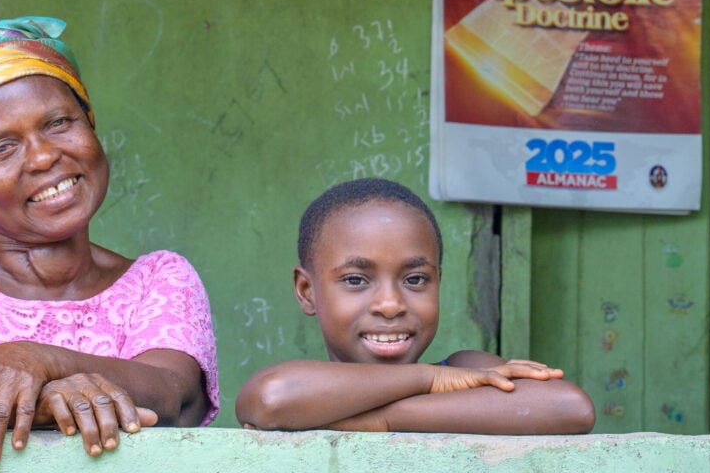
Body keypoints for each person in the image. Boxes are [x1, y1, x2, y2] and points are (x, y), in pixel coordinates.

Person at [0, 12, 217, 466]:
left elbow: (173, 397)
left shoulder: (158, 280)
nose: (43, 157)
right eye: (3, 148)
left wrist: (38, 360)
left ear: (91, 125)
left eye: (58, 123)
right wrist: (45, 403)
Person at [235, 178, 595, 433]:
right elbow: (272, 398)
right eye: (356, 280)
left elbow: (569, 407)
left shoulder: (466, 368)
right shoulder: (449, 379)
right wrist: (430, 378)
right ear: (306, 291)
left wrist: (384, 419)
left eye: (415, 279)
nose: (390, 305)